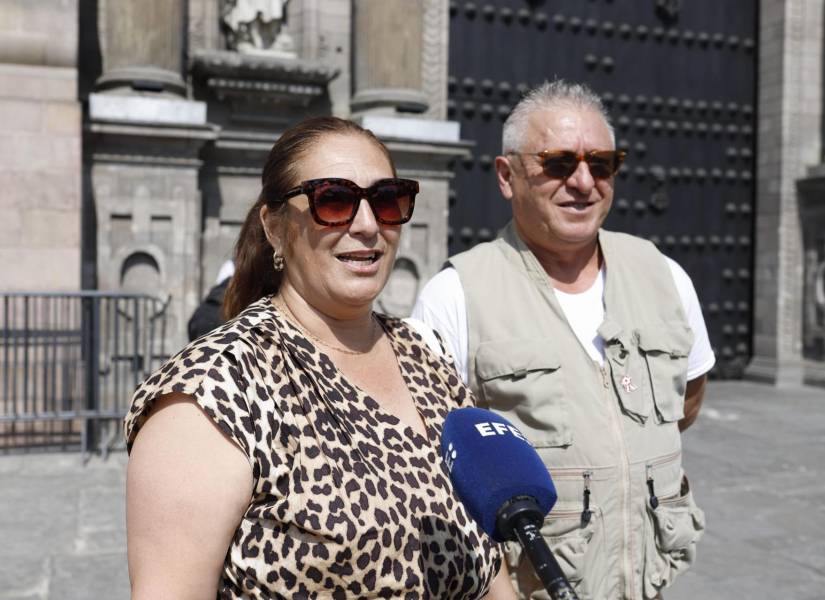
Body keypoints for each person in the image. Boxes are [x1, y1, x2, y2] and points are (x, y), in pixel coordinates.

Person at [125, 117, 515, 599]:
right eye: (333, 200)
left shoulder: (427, 356)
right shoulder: (213, 390)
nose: (367, 225)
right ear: (274, 227)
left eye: (386, 199)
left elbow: (488, 566)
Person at [412, 80, 715, 600]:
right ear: (506, 176)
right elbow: (430, 464)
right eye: (557, 163)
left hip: (649, 584)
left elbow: (688, 399)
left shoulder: (663, 275)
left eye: (601, 164)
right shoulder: (457, 293)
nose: (583, 182)